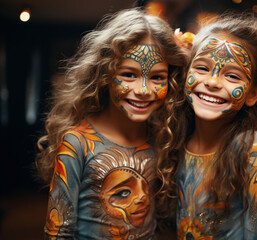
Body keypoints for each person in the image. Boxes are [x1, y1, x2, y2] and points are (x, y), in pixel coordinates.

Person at [36, 8, 188, 239]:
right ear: (104, 73)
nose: (143, 90)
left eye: (157, 77)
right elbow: (58, 230)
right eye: (129, 74)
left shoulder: (161, 139)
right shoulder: (76, 142)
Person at [156, 13, 257, 239]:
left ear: (253, 94)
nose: (213, 82)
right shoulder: (175, 140)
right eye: (202, 68)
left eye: (233, 76)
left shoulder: (253, 150)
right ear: (186, 73)